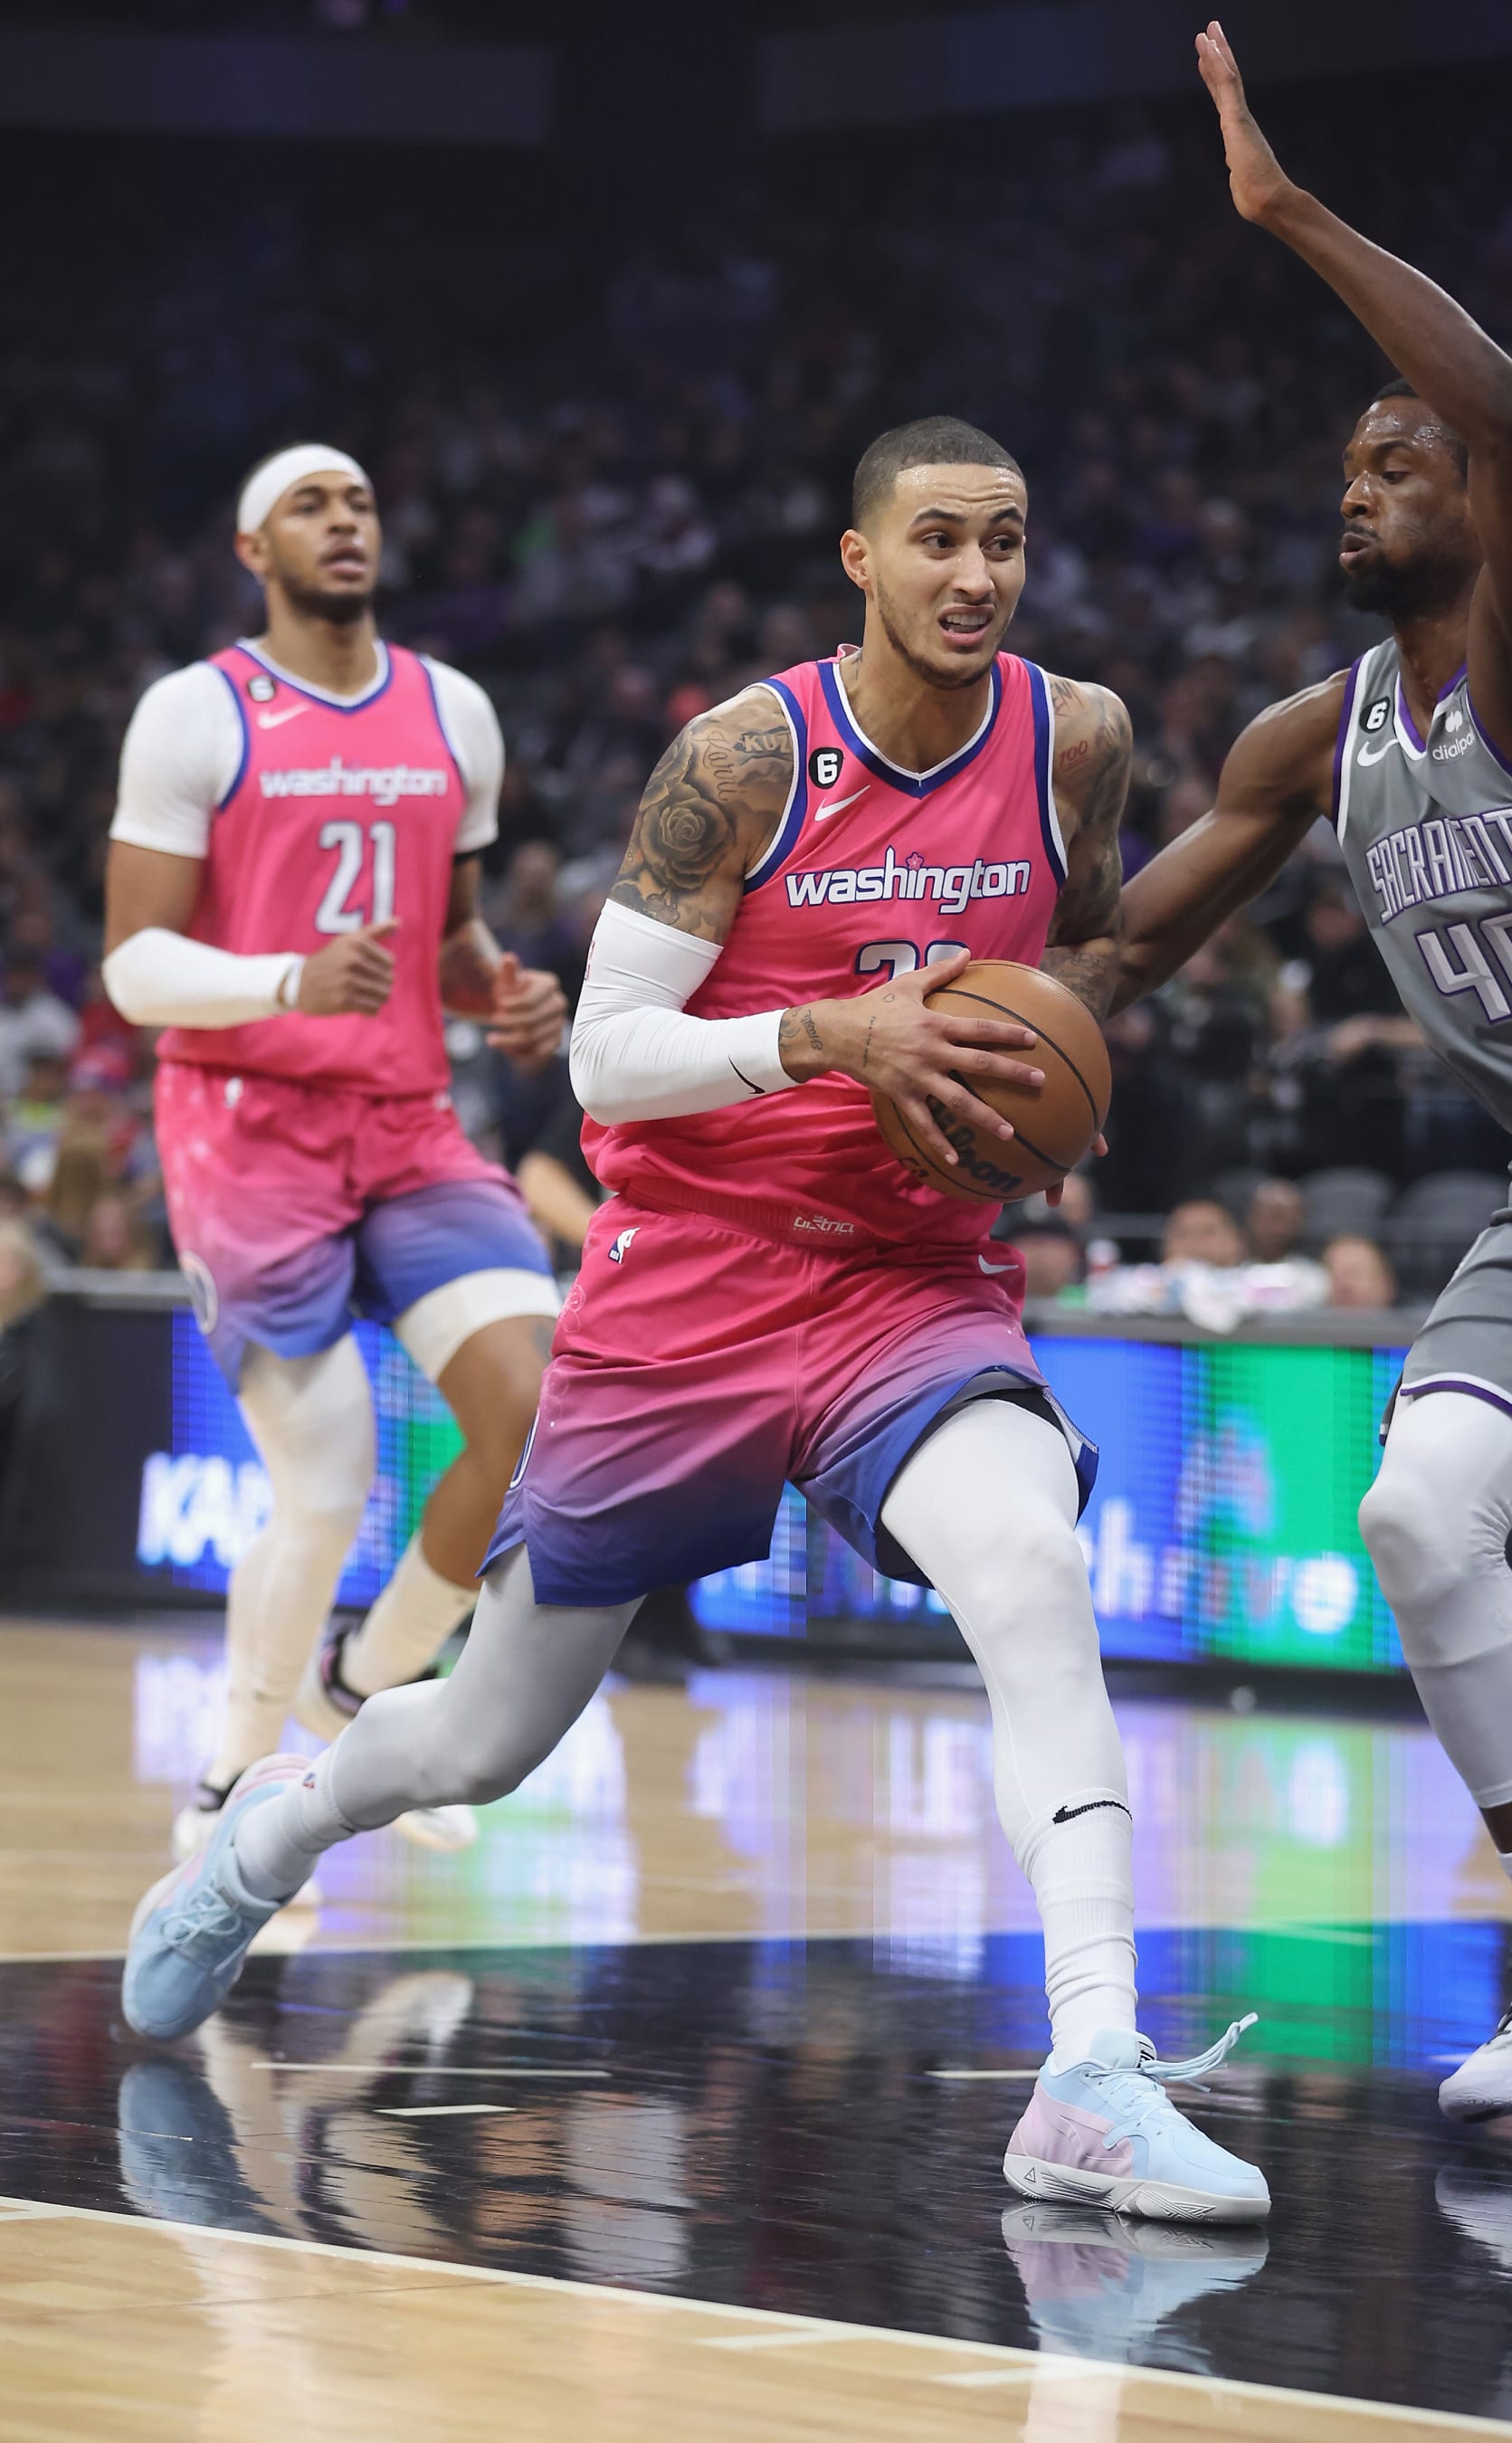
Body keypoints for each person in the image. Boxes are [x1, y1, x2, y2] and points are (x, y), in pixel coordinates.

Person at [122, 414, 1269, 2224]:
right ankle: (269, 1832)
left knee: (1032, 1565)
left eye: (1007, 542)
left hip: (911, 1283)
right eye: (940, 541)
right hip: (695, 1292)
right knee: (486, 1740)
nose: (977, 576)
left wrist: (1047, 1074)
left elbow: (1084, 962)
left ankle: (1092, 2070)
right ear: (862, 561)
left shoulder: (1081, 737)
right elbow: (606, 1058)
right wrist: (831, 1034)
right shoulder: (744, 756)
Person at [1114, 24, 1512, 2121]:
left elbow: (1503, 403)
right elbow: (1120, 950)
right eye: (1343, 470)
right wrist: (897, 1001)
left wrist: (1285, 207)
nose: (1363, 485)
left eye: (1393, 464)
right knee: (1420, 1517)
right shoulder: (1308, 743)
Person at [102, 444, 566, 1862]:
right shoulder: (196, 713)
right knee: (327, 1484)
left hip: (408, 1121)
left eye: (360, 501)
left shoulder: (454, 709)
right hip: (249, 1132)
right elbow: (132, 968)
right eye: (310, 504)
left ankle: (367, 1690)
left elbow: (448, 940)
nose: (344, 520)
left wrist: (506, 991)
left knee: (548, 1420)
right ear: (255, 549)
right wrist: (289, 982)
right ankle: (232, 1781)